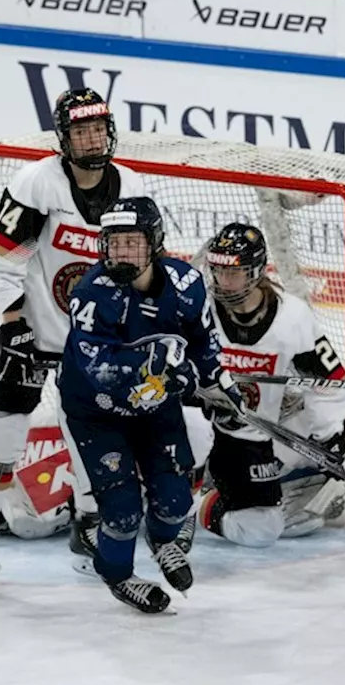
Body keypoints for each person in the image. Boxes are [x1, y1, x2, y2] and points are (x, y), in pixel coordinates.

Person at [0, 88, 145, 594]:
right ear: (63, 137)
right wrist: (13, 324)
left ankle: (87, 521)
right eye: (80, 130)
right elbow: (2, 262)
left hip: (92, 340)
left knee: (92, 434)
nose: (91, 138)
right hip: (31, 332)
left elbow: (141, 268)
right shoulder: (36, 182)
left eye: (97, 128)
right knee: (2, 433)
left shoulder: (133, 188)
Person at [56, 196, 244, 614]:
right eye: (113, 243)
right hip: (96, 412)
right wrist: (163, 376)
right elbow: (100, 369)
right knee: (121, 509)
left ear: (154, 242)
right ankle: (118, 575)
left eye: (131, 243)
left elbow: (202, 343)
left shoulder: (186, 284)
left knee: (176, 500)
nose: (120, 252)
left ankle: (162, 542)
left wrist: (217, 383)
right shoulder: (91, 294)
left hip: (154, 409)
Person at [191, 223, 345, 547]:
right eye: (218, 270)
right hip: (200, 426)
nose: (224, 281)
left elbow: (330, 384)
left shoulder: (292, 318)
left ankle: (203, 503)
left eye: (234, 272)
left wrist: (329, 437)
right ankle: (183, 490)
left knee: (261, 532)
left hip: (254, 434)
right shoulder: (198, 307)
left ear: (256, 272)